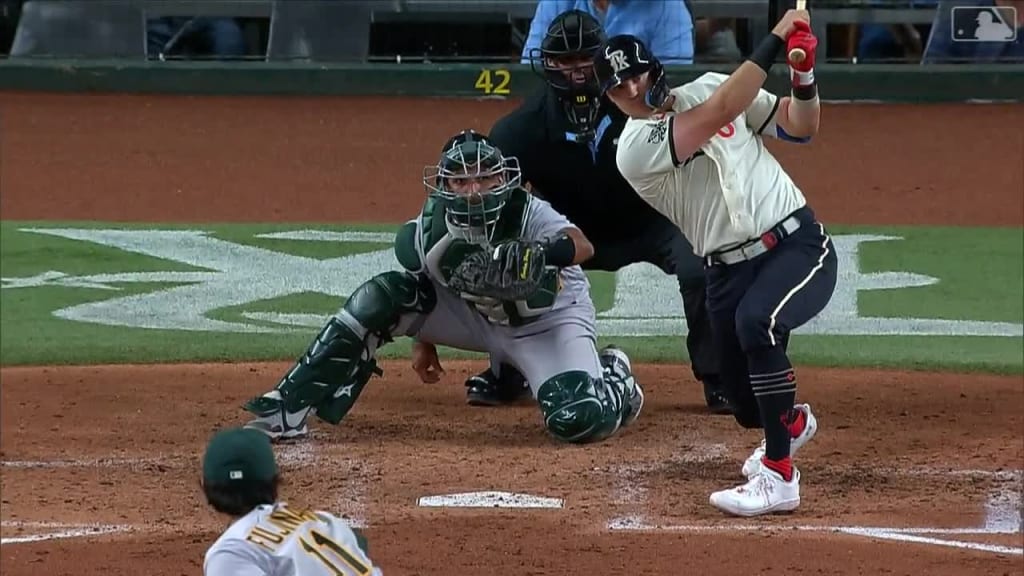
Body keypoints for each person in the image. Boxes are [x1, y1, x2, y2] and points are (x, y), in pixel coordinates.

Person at [242, 130, 644, 445]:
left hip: (548, 322)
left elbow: (582, 245)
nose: (473, 190)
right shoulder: (427, 232)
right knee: (380, 297)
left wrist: (541, 252)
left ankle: (614, 375)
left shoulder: (527, 211)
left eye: (484, 178)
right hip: (477, 319)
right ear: (444, 185)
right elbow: (426, 286)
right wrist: (425, 341)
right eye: (460, 181)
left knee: (579, 420)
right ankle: (288, 408)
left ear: (503, 179)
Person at [593, 10, 838, 517]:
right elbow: (723, 106)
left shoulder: (706, 84)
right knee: (746, 406)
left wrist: (804, 73)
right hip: (725, 270)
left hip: (795, 244)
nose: (634, 89)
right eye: (620, 88)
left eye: (637, 74)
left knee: (759, 323)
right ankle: (788, 425)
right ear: (612, 100)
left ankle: (778, 476)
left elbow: (800, 125)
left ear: (654, 67)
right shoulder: (634, 148)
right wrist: (777, 34)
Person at [464, 9, 730, 415]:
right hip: (569, 234)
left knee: (701, 264)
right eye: (564, 61)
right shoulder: (519, 131)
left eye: (585, 59)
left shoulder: (646, 106)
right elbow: (503, 208)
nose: (575, 71)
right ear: (547, 63)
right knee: (510, 256)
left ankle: (720, 379)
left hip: (651, 220)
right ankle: (509, 371)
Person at [201, 426, 383, 575]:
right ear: (274, 481)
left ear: (206, 486)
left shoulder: (232, 552)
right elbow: (359, 547)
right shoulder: (325, 522)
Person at [521, 0, 694, 64]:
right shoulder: (556, 3)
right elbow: (531, 71)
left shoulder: (668, 7)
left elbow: (674, 86)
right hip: (565, 115)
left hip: (639, 124)